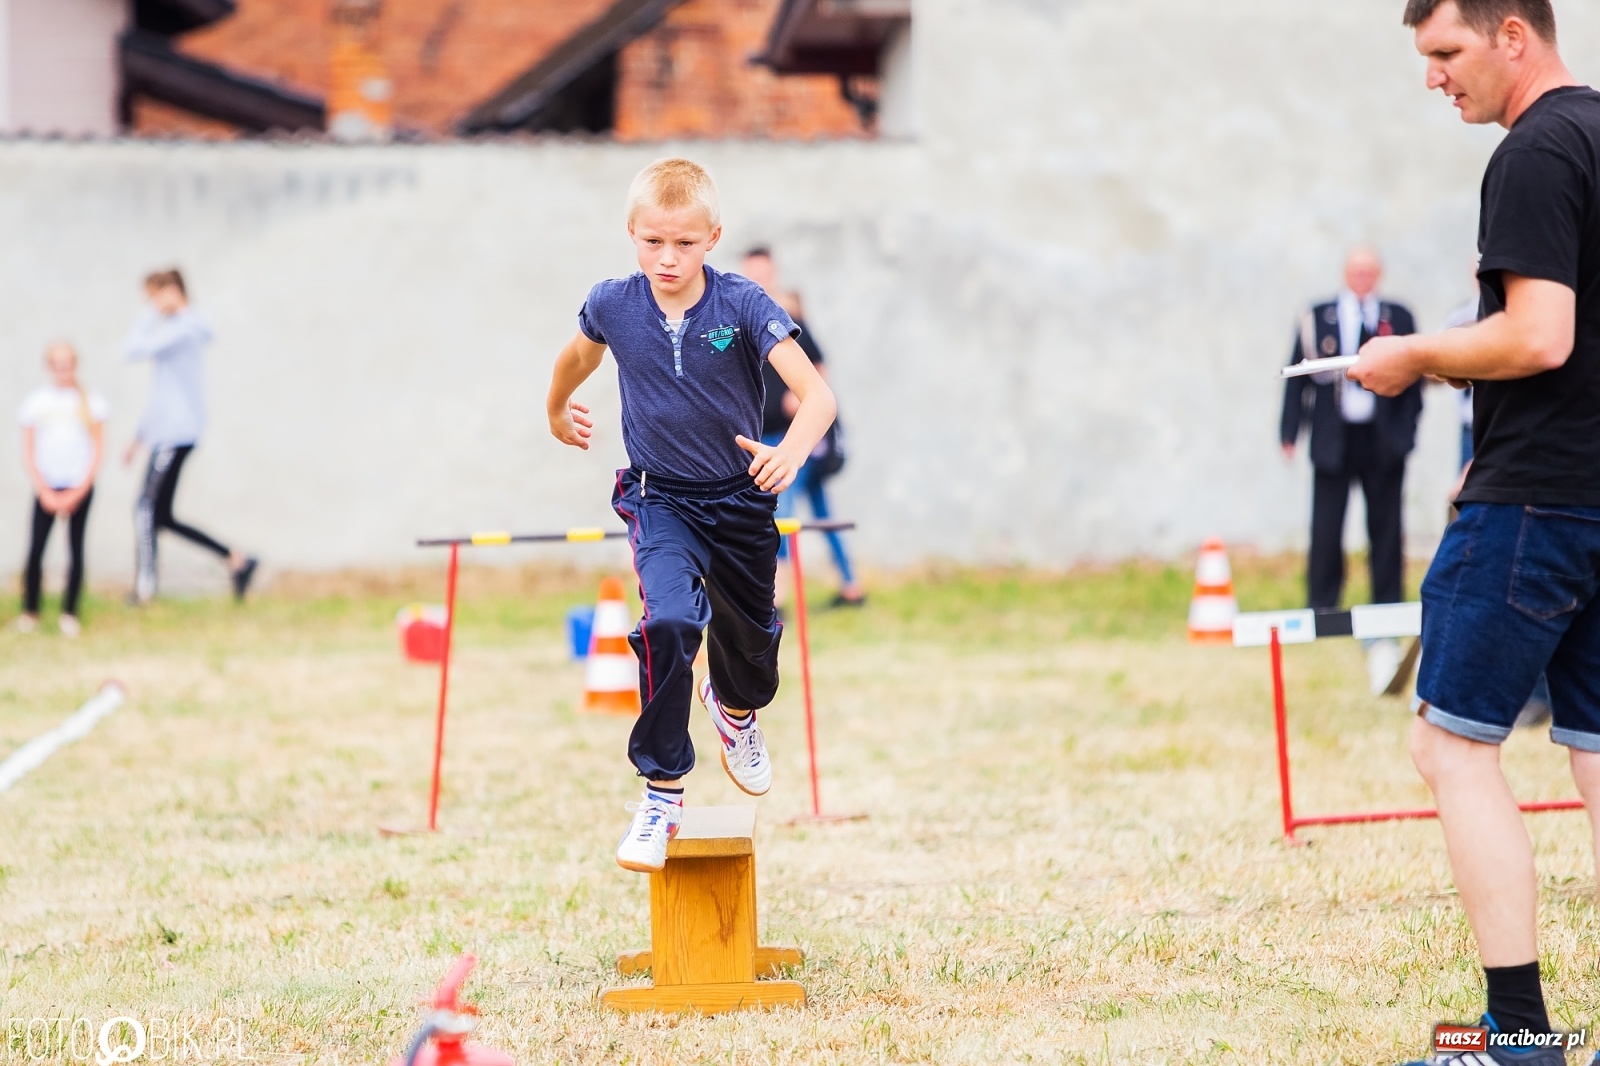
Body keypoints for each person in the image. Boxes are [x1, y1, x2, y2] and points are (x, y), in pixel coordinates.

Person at [1353, 2, 1600, 1062]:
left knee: (1448, 745)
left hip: (1535, 500)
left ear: (1512, 34)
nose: (1432, 78)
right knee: (1594, 753)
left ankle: (1514, 1036)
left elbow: (1540, 334)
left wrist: (1415, 355)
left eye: (1445, 54)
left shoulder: (1535, 149)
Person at [546, 159, 836, 873]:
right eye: (652, 243)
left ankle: (735, 709)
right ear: (632, 236)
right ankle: (661, 792)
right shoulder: (614, 303)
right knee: (668, 622)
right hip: (660, 497)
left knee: (756, 652)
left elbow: (818, 396)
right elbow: (575, 358)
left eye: (682, 244)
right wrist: (555, 409)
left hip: (738, 499)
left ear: (712, 237)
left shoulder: (742, 305)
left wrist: (790, 451)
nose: (666, 259)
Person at [1281, 248, 1423, 693]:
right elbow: (1298, 377)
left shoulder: (1397, 315)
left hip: (1381, 440)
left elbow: (1416, 377)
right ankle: (1321, 604)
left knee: (1385, 528)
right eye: (1356, 271)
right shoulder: (1317, 315)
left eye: (1370, 272)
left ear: (1378, 275)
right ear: (1346, 274)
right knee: (1326, 525)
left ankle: (1387, 607)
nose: (1363, 278)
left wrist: (1406, 434)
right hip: (1333, 437)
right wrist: (1289, 432)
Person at [123, 269, 257, 604]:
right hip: (163, 434)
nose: (151, 305)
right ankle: (238, 560)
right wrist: (139, 436)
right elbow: (161, 393)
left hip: (175, 434)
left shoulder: (186, 328)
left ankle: (144, 589)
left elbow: (132, 350)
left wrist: (153, 312)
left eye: (154, 296)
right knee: (162, 515)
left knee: (145, 510)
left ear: (170, 291)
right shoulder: (175, 331)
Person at [741, 247, 864, 607]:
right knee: (814, 513)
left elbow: (820, 375)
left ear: (773, 274)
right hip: (762, 436)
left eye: (762, 274)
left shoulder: (787, 320)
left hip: (796, 439)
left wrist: (803, 399)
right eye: (751, 274)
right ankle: (849, 586)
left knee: (785, 513)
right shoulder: (739, 321)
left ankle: (779, 599)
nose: (757, 280)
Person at [15, 342, 108, 637]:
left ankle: (70, 612)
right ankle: (31, 611)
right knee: (35, 551)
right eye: (57, 364)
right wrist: (44, 490)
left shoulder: (91, 401)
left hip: (78, 486)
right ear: (49, 367)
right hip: (47, 486)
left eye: (67, 364)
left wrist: (79, 489)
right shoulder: (37, 402)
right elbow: (29, 450)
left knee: (75, 550)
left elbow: (97, 449)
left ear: (75, 365)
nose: (62, 370)